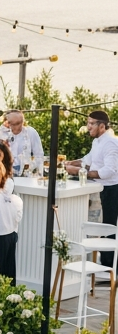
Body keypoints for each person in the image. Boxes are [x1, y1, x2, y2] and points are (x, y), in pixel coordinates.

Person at [65, 110, 118, 268]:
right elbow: (88, 160)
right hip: (99, 189)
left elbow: (109, 171)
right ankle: (104, 264)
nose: (88, 127)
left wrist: (81, 172)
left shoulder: (110, 143)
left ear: (102, 126)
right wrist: (68, 163)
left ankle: (109, 268)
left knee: (107, 228)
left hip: (111, 190)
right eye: (87, 123)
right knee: (101, 227)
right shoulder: (98, 141)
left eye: (91, 124)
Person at [0, 110, 43, 175]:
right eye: (14, 124)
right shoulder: (3, 133)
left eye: (20, 122)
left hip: (27, 172)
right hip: (6, 172)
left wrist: (30, 168)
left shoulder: (30, 132)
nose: (18, 126)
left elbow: (39, 155)